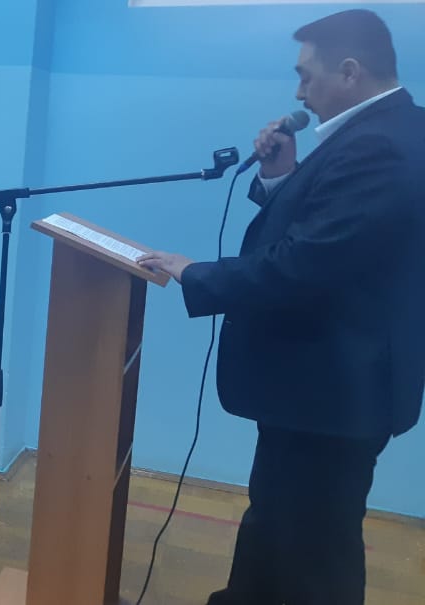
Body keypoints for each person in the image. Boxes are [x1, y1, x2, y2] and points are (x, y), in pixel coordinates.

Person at [137, 10, 425, 605]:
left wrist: (196, 273)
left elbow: (306, 264)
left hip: (333, 397)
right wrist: (279, 177)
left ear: (349, 72)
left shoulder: (382, 145)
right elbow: (328, 234)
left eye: (305, 75)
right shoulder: (387, 130)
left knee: (313, 559)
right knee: (278, 530)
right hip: (321, 392)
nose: (298, 93)